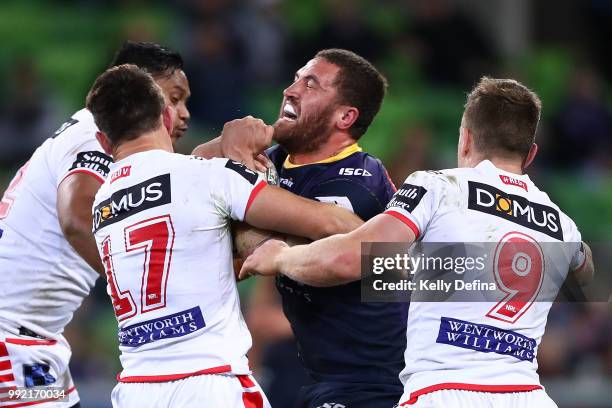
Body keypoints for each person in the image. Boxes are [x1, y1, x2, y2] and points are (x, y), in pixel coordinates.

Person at [241, 77, 594, 407]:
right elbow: (584, 272)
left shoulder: (440, 188)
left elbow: (351, 260)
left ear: (465, 139)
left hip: (446, 393)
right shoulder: (561, 224)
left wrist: (282, 258)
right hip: (528, 396)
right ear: (530, 155)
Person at [87, 64, 362, 407]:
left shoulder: (102, 203)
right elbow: (331, 225)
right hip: (208, 383)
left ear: (103, 140)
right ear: (165, 115)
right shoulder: (208, 178)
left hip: (135, 389)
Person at [0, 41, 190, 407]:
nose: (183, 114)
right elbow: (77, 218)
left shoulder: (103, 138)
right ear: (138, 91)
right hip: (12, 338)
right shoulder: (95, 138)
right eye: (174, 98)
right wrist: (139, 292)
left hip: (33, 339)